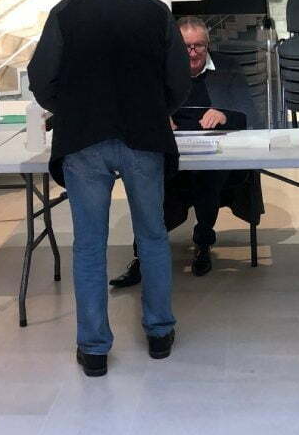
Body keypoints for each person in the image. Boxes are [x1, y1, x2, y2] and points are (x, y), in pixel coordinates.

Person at [26, 0, 191, 379]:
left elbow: (40, 77)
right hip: (144, 137)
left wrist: (72, 108)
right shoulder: (156, 12)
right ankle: (159, 334)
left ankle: (94, 349)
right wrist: (156, 109)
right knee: (152, 236)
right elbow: (180, 80)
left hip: (83, 139)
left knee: (88, 244)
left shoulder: (66, 9)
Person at [109, 16, 259, 286]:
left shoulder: (227, 67)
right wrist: (158, 118)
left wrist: (224, 114)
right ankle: (142, 255)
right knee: (148, 181)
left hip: (215, 154)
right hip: (171, 152)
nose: (192, 53)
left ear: (208, 45)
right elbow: (136, 113)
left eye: (198, 46)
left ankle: (203, 241)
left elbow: (249, 113)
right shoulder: (160, 69)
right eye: (185, 47)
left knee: (208, 177)